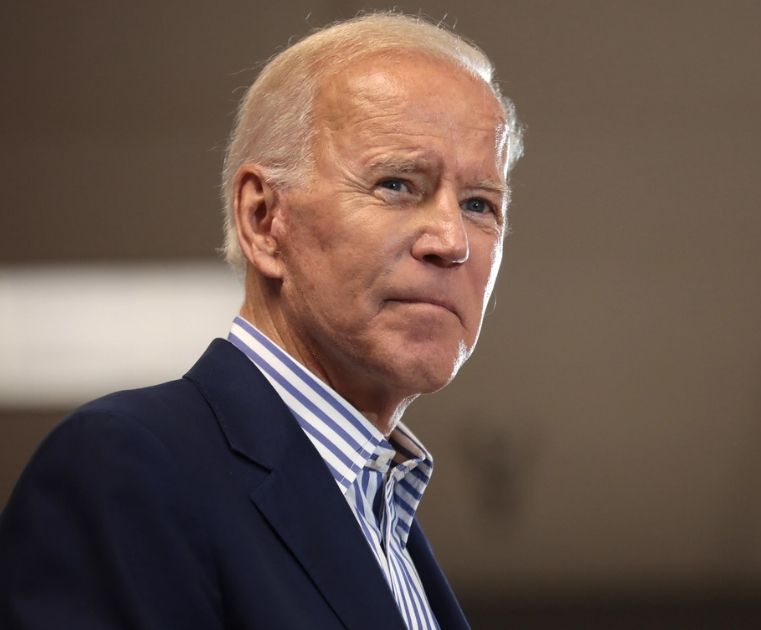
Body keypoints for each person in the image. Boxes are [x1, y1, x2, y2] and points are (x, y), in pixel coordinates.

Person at [0, 12, 522, 630]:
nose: (451, 240)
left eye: (479, 204)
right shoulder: (126, 466)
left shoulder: (383, 518)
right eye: (397, 184)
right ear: (263, 219)